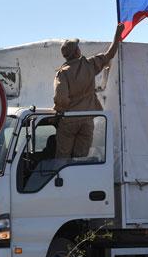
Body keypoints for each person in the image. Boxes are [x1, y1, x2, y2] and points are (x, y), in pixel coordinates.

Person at [53, 23, 125, 159]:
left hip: (69, 120)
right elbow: (109, 54)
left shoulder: (63, 73)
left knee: (62, 159)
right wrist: (117, 34)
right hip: (87, 119)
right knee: (80, 160)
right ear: (76, 52)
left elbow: (61, 99)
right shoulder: (89, 65)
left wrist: (58, 113)